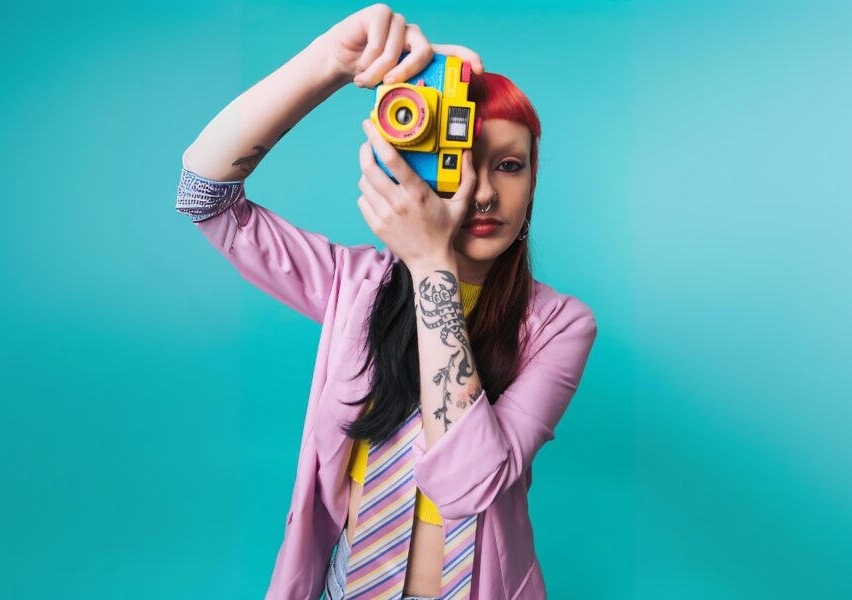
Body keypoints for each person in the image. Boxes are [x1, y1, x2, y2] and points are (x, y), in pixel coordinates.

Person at [175, 4, 598, 599]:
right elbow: (203, 195)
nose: (480, 191)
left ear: (533, 181)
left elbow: (472, 485)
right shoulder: (356, 285)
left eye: (508, 165)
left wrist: (431, 263)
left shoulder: (559, 326)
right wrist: (328, 60)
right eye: (458, 159)